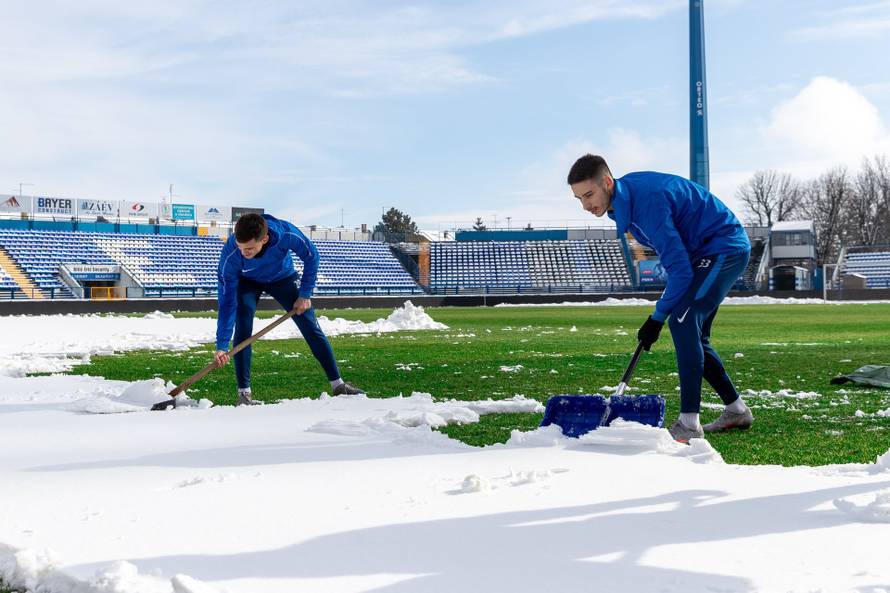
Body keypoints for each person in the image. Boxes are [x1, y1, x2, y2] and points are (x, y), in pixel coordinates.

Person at [567, 154, 753, 443]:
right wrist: (658, 315)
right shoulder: (621, 204)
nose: (586, 205)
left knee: (682, 320)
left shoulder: (647, 204)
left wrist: (656, 318)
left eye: (589, 195)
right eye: (579, 199)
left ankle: (689, 424)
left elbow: (680, 271)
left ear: (606, 182)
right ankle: (737, 410)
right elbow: (676, 262)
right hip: (700, 254)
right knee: (695, 334)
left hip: (723, 248)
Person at [214, 213, 362, 404]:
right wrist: (221, 346)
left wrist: (305, 293)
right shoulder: (231, 252)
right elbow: (227, 302)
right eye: (241, 247)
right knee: (242, 326)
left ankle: (338, 385)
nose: (244, 253)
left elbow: (311, 256)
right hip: (247, 282)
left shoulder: (285, 233)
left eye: (249, 248)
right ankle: (244, 394)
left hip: (282, 278)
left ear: (265, 239)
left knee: (309, 325)